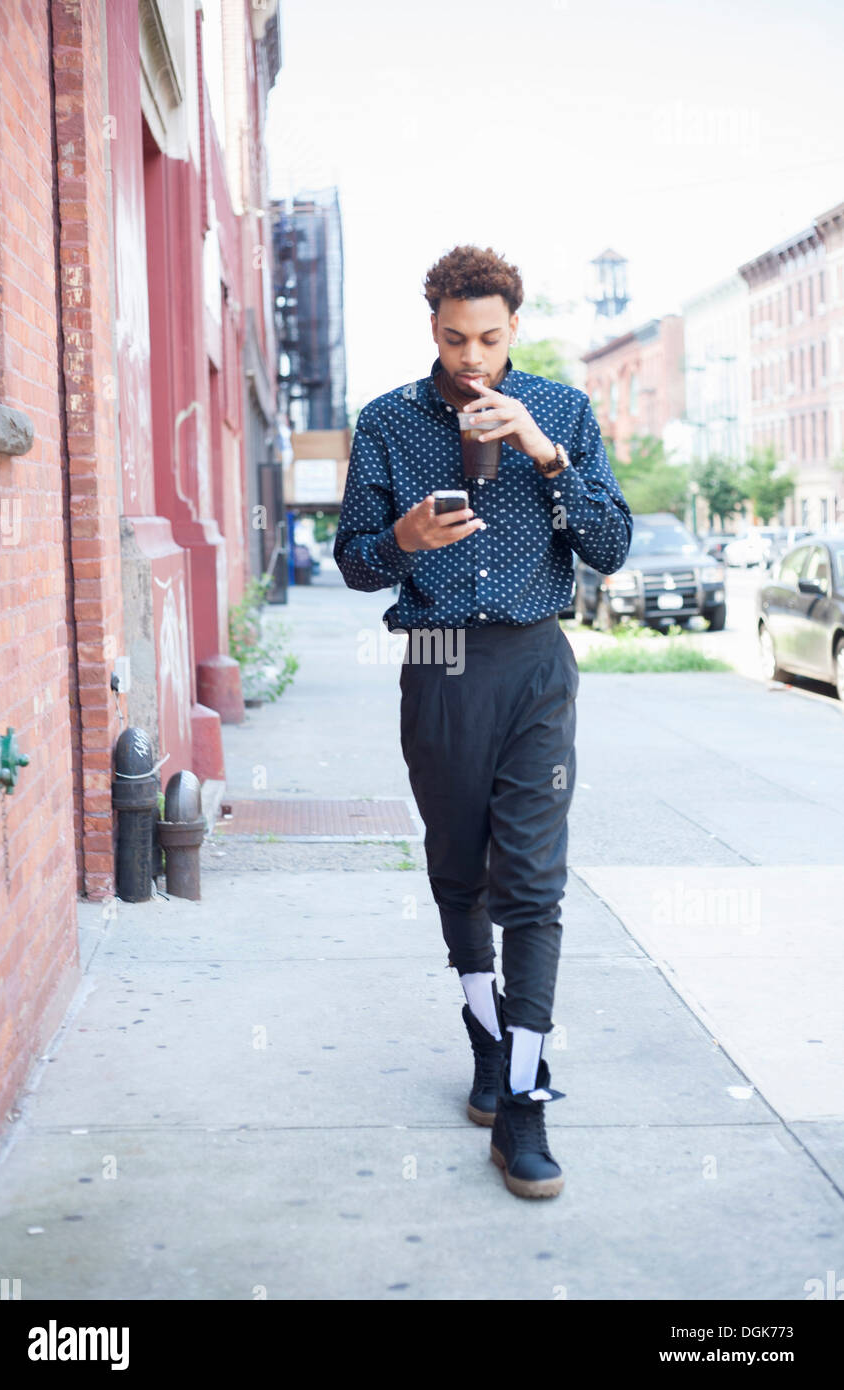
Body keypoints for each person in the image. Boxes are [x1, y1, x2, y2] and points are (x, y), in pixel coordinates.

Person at [333, 245, 633, 1198]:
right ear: (432, 327)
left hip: (536, 660)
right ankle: (489, 1048)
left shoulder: (565, 411)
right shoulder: (387, 421)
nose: (473, 360)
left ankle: (525, 1107)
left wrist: (547, 454)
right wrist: (404, 538)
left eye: (491, 340)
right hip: (438, 661)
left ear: (516, 329)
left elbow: (612, 547)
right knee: (459, 868)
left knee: (534, 885)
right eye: (456, 338)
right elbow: (355, 562)